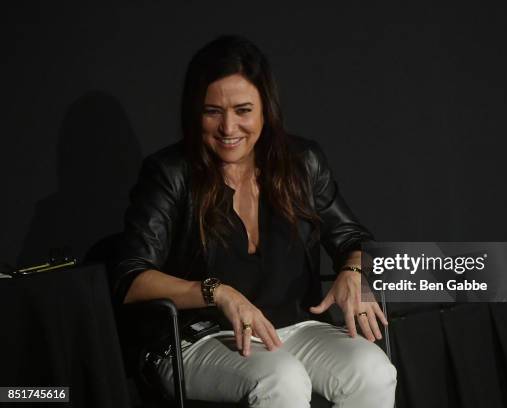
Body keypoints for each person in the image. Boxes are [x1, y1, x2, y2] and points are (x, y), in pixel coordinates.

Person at [112, 35, 397, 408]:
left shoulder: (302, 163)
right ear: (194, 112)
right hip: (197, 338)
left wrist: (354, 272)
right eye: (212, 111)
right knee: (281, 379)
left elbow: (354, 239)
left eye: (243, 110)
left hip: (293, 327)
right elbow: (131, 279)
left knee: (373, 371)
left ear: (266, 110)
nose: (228, 128)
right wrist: (219, 292)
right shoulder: (170, 173)